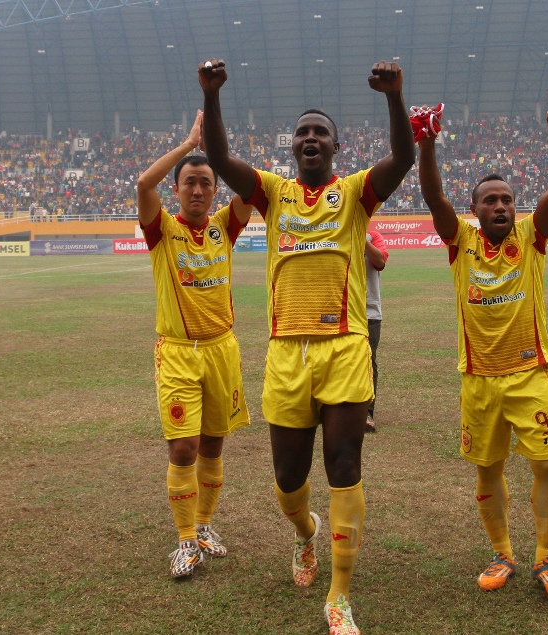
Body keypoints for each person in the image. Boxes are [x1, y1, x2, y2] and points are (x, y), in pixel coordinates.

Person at [199, 58, 415, 635]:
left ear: (337, 147)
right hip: (286, 352)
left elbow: (403, 159)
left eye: (320, 131)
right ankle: (305, 534)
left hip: (344, 347)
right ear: (292, 147)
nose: (310, 138)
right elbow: (220, 161)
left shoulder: (354, 195)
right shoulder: (271, 194)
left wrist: (395, 99)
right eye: (302, 132)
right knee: (288, 480)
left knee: (344, 465)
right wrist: (211, 96)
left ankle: (339, 596)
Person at [416, 89, 548, 601]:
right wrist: (426, 146)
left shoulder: (532, 238)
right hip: (479, 380)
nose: (502, 205)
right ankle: (502, 552)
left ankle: (547, 558)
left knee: (547, 467)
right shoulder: (460, 243)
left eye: (507, 199)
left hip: (532, 376)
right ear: (476, 209)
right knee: (488, 471)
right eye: (491, 200)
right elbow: (434, 199)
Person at [135, 110, 252, 579]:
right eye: (190, 183)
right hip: (179, 352)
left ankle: (204, 526)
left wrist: (218, 155)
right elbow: (144, 185)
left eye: (206, 182)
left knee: (213, 446)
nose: (199, 190)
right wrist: (187, 146)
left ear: (214, 188)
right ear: (178, 189)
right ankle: (184, 540)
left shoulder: (226, 225)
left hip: (222, 349)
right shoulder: (162, 228)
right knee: (182, 449)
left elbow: (253, 191)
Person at [363, 230, 388, 433]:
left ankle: (367, 413)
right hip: (339, 310)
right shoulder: (332, 230)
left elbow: (379, 261)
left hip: (368, 311)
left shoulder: (372, 236)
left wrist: (358, 237)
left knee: (368, 361)